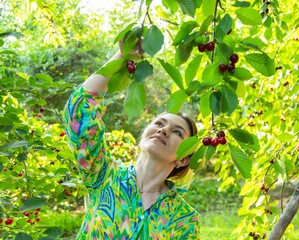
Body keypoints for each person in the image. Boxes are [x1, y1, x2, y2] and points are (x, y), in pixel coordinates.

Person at [63, 42, 200, 239]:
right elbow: (78, 112)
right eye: (159, 123)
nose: (164, 130)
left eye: (177, 132)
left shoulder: (184, 220)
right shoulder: (104, 175)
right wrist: (121, 56)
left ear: (183, 160)